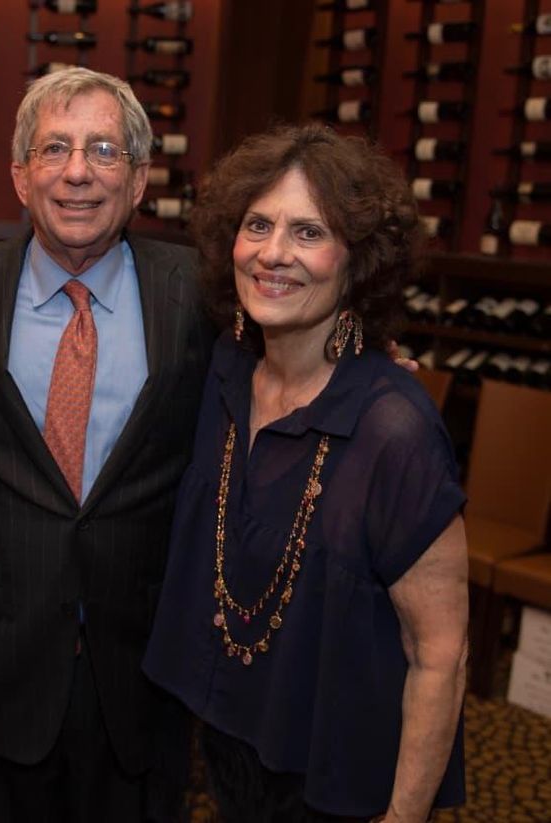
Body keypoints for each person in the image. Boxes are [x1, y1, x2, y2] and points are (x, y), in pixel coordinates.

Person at [144, 123, 468, 823]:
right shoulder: (227, 368)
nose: (274, 253)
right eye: (258, 224)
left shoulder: (395, 431)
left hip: (339, 782)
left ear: (358, 262)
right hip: (233, 752)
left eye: (309, 232)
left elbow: (440, 654)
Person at [0, 68, 214, 822]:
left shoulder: (203, 294)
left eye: (103, 149)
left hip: (143, 678)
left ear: (140, 179)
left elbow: (291, 352)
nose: (78, 171)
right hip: (0, 670)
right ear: (21, 176)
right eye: (55, 148)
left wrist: (358, 343)